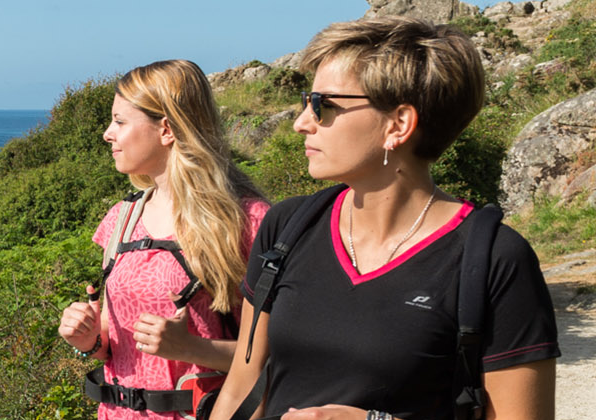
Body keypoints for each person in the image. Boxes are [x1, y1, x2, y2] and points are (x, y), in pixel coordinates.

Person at [208, 16, 558, 420]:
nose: (301, 122)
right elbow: (241, 389)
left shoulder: (496, 259)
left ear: (399, 124)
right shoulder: (287, 228)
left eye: (323, 105)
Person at [58, 59, 270, 420]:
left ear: (167, 129)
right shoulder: (121, 220)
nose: (108, 133)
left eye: (120, 122)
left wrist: (192, 349)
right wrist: (89, 339)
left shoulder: (248, 221)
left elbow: (278, 354)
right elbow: (113, 342)